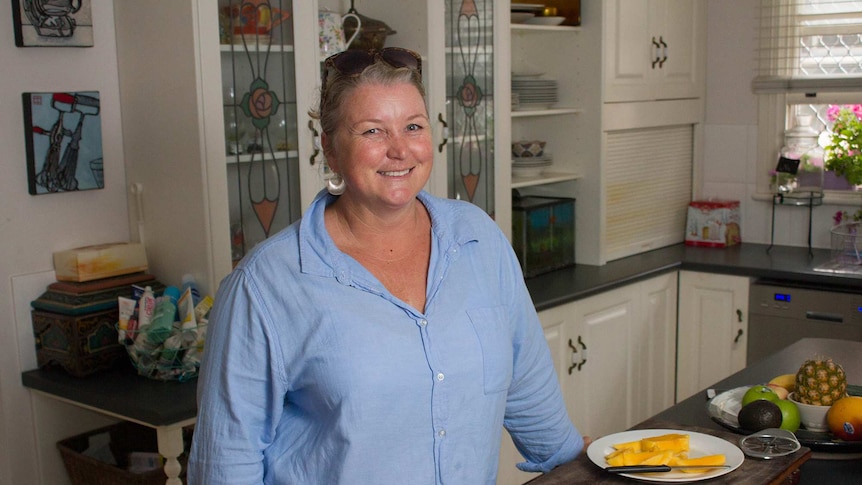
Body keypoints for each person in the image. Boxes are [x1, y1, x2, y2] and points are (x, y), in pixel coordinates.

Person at [188, 47, 585, 484]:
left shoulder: (478, 239)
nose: (399, 149)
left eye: (413, 127)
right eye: (373, 131)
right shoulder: (264, 285)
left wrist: (594, 470)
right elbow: (225, 467)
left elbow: (530, 391)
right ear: (330, 148)